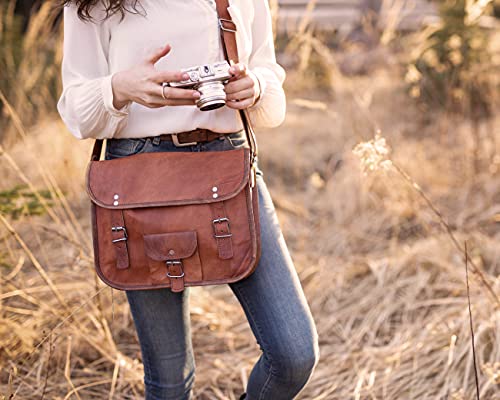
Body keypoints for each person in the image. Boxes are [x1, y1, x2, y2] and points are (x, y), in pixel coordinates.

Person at [56, 1, 320, 399]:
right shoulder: (93, 4)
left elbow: (268, 80)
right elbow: (76, 110)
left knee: (294, 354)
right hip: (139, 177)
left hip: (228, 165)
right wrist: (120, 88)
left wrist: (258, 86)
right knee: (169, 381)